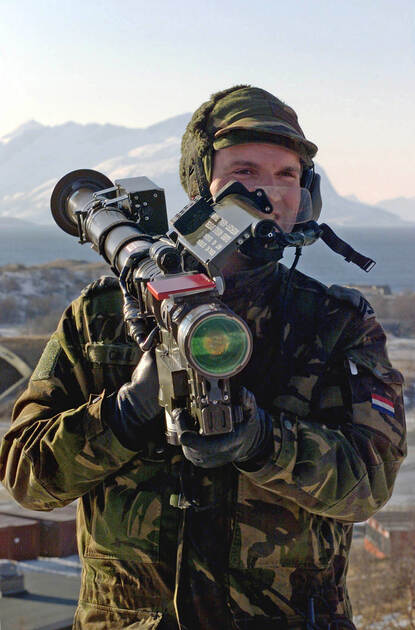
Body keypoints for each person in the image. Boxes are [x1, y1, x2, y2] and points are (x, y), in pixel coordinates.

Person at [0, 86, 406, 630]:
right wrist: (124, 413)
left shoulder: (336, 324)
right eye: (244, 171)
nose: (268, 192)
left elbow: (369, 482)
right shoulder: (102, 316)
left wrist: (264, 442)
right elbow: (25, 476)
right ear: (201, 186)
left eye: (287, 175)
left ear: (307, 195)